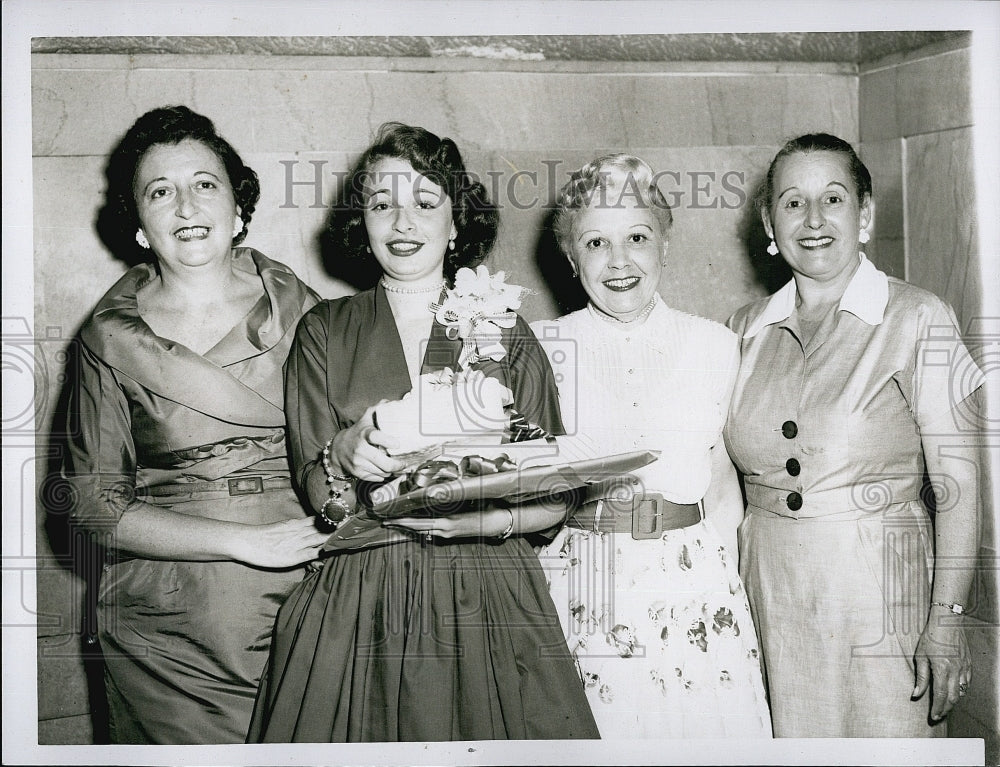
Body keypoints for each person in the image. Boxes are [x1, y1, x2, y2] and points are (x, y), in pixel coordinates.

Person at [248, 123, 599, 742]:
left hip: (489, 593)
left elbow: (556, 494)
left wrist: (485, 524)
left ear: (456, 222)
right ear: (363, 223)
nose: (403, 222)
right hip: (364, 594)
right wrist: (341, 456)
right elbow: (323, 504)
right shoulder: (324, 330)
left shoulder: (506, 327)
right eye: (382, 204)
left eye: (425, 201)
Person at [63, 105, 329, 744]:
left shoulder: (310, 312)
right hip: (171, 630)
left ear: (238, 206)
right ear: (139, 225)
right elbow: (91, 506)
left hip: (315, 592)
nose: (186, 205)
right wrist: (244, 542)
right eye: (160, 192)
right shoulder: (106, 339)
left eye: (205, 183)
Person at [724, 133, 983, 737]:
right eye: (792, 202)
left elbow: (960, 486)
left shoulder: (919, 317)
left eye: (833, 199)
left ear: (864, 214)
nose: (813, 219)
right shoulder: (741, 330)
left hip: (883, 598)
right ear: (769, 222)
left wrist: (947, 620)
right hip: (768, 591)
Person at [532, 154, 772, 738]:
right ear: (571, 258)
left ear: (664, 243)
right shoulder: (539, 348)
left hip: (694, 587)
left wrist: (731, 600)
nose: (619, 260)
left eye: (637, 237)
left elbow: (723, 489)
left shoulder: (716, 345)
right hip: (580, 584)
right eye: (596, 242)